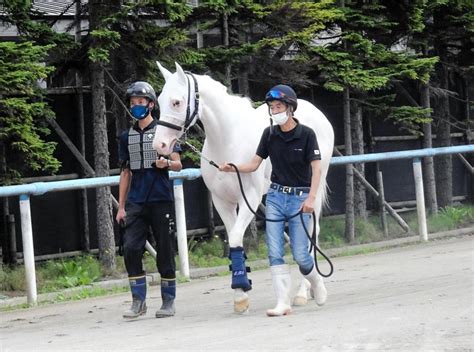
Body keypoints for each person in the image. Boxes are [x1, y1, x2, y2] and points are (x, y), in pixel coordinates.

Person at [219, 84, 327, 316]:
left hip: (300, 198)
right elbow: (255, 164)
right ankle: (282, 302)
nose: (274, 111)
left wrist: (311, 197)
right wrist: (234, 168)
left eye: (278, 106)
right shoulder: (269, 134)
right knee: (275, 252)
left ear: (290, 108)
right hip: (276, 196)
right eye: (272, 107)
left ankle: (315, 280)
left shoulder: (307, 134)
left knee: (300, 255)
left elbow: (316, 170)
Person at [116, 81, 182, 319]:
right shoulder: (126, 137)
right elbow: (125, 172)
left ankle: (168, 300)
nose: (136, 106)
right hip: (136, 201)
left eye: (140, 102)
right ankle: (138, 301)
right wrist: (121, 206)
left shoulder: (165, 132)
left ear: (151, 105)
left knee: (165, 249)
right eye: (133, 103)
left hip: (160, 199)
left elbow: (178, 163)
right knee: (131, 249)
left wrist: (167, 163)